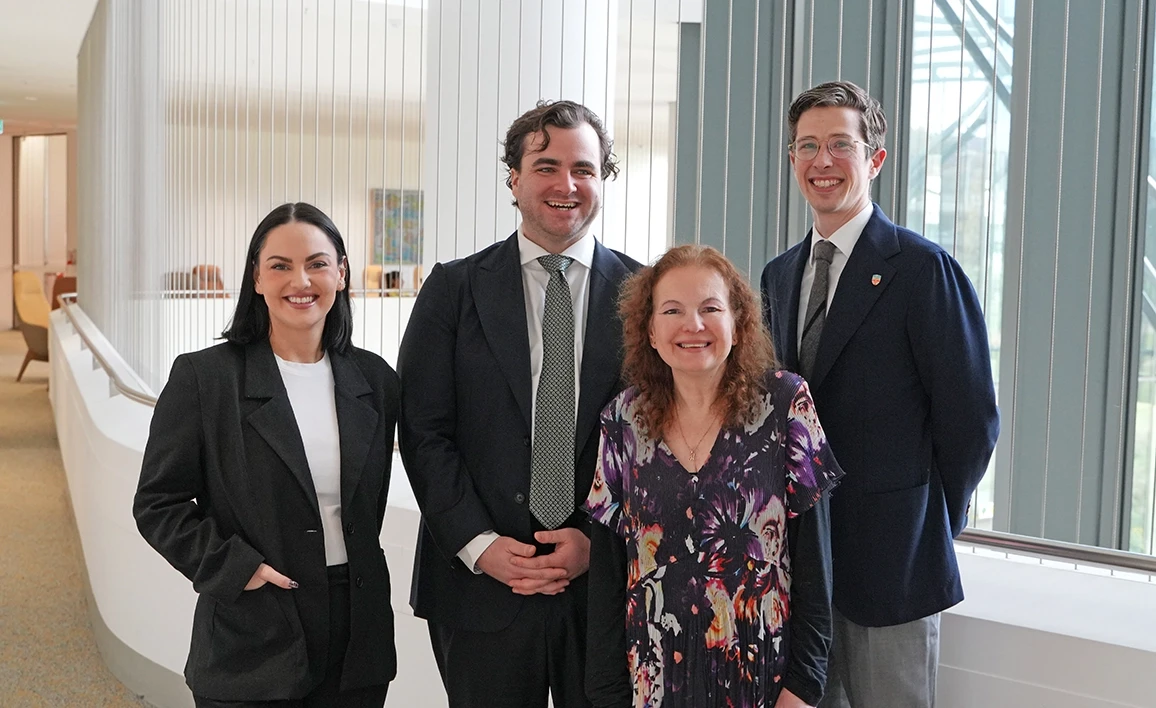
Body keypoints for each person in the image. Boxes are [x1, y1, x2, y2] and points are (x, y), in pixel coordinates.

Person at [760, 81, 1000, 707]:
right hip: (799, 567)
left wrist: (928, 522)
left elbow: (971, 420)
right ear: (791, 161)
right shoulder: (779, 274)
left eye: (840, 144)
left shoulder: (922, 270)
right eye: (807, 146)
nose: (822, 161)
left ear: (875, 158)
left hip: (893, 565)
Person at [397, 99, 641, 708]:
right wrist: (481, 545)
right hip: (480, 587)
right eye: (546, 165)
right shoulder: (452, 290)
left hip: (605, 586)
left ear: (602, 180)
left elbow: (656, 441)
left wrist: (594, 541)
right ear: (513, 177)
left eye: (584, 169)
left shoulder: (646, 296)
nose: (566, 185)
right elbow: (424, 431)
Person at [134, 203, 398, 707]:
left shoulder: (375, 379)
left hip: (356, 630)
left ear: (341, 274)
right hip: (254, 624)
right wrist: (238, 569)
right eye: (280, 265)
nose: (301, 280)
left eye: (318, 264)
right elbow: (157, 504)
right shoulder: (205, 378)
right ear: (256, 278)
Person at [584, 245, 843, 708]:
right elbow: (607, 577)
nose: (694, 325)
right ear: (651, 330)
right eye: (673, 310)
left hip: (764, 682)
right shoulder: (622, 420)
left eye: (710, 308)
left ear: (738, 324)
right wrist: (607, 695)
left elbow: (814, 567)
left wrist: (802, 689)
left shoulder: (785, 407)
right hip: (654, 686)